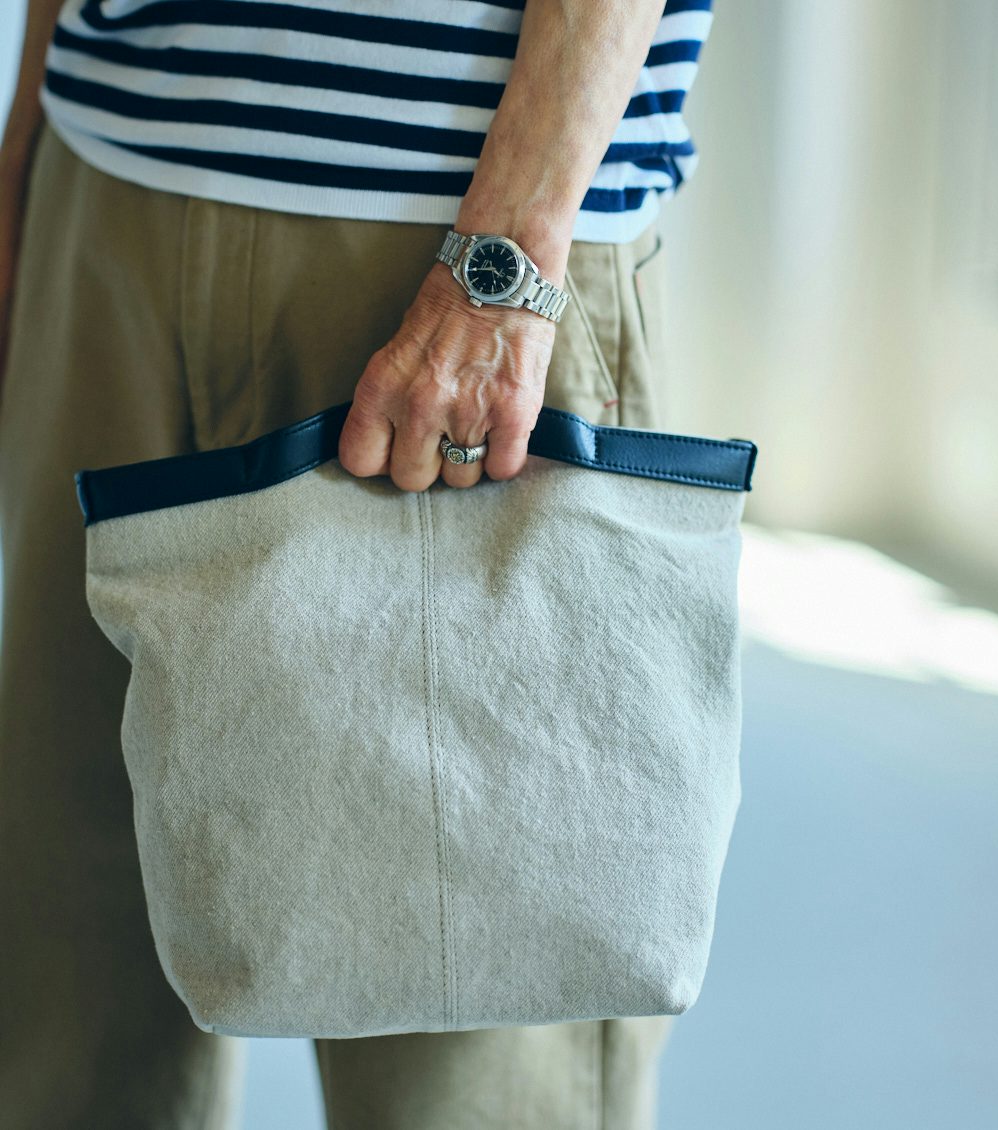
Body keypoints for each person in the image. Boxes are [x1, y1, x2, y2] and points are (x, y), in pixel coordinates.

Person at [0, 0, 714, 1125]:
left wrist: (505, 260)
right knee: (71, 979)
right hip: (105, 180)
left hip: (451, 224)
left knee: (474, 1054)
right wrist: (24, 159)